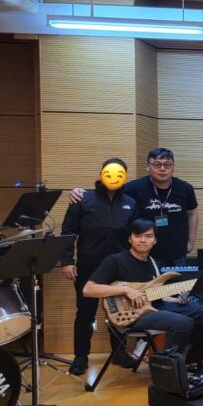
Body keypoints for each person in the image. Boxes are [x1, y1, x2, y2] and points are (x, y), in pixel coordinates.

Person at [82, 219, 203, 360]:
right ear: (130, 239)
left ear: (155, 241)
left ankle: (190, 359)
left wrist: (176, 300)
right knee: (183, 323)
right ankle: (165, 365)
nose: (143, 240)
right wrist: (126, 290)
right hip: (134, 314)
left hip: (155, 307)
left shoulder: (153, 263)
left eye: (148, 236)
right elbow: (88, 290)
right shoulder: (115, 261)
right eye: (137, 236)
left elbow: (153, 294)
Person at [60, 158, 139, 375]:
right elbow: (68, 231)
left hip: (119, 267)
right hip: (89, 266)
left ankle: (119, 353)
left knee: (119, 310)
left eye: (119, 174)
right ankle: (80, 357)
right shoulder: (82, 199)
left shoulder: (131, 203)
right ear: (101, 174)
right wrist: (67, 261)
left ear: (125, 177)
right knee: (85, 313)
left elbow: (135, 234)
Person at [69, 147, 198, 268]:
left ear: (173, 167)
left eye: (167, 165)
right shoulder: (133, 188)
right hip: (144, 253)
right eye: (157, 165)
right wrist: (80, 192)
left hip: (177, 252)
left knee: (178, 285)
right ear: (148, 166)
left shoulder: (185, 188)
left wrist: (191, 242)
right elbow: (108, 192)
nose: (162, 169)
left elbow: (192, 213)